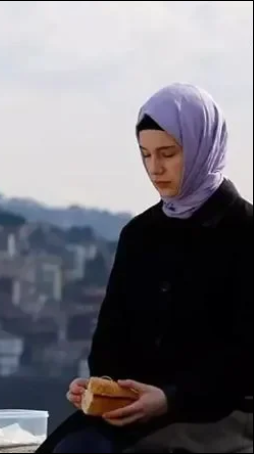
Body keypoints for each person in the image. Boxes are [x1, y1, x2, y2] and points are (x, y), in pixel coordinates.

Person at [37, 83, 253, 453]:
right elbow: (111, 337)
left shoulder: (245, 232)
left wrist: (171, 398)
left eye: (168, 153)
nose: (155, 168)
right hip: (136, 409)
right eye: (145, 155)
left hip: (221, 414)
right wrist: (102, 384)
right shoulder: (140, 234)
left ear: (203, 148)